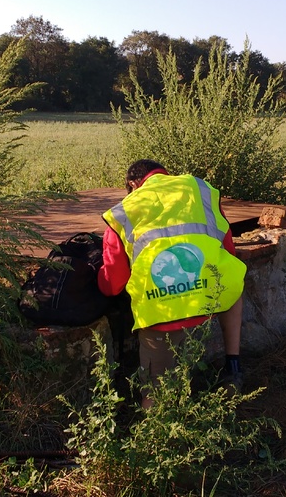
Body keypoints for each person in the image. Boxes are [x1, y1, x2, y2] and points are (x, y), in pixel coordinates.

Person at [97, 159, 246, 408]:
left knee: (154, 391)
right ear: (163, 174)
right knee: (233, 282)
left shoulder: (121, 213)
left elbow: (112, 285)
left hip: (163, 312)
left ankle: (154, 436)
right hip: (210, 296)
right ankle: (233, 366)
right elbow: (228, 250)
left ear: (133, 184)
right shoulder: (199, 189)